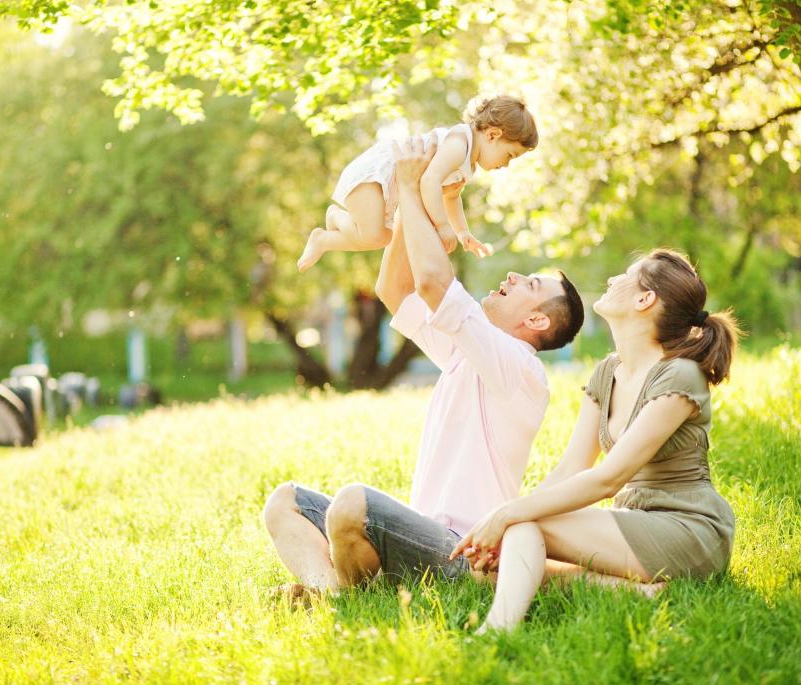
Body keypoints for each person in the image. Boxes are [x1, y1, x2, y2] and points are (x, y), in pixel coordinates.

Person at [263, 134, 583, 599]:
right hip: (416, 536)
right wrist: (402, 204)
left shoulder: (518, 368)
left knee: (353, 504)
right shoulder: (467, 352)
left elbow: (432, 281)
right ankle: (329, 595)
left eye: (529, 283)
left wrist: (414, 188)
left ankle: (345, 597)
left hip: (460, 553)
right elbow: (396, 290)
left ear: (537, 320)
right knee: (285, 502)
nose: (512, 277)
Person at [451, 249, 740, 633]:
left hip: (687, 529)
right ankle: (633, 592)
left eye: (625, 275)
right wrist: (512, 516)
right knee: (498, 565)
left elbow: (608, 479)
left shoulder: (680, 376)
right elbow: (572, 467)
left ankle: (497, 632)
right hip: (633, 522)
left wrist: (508, 514)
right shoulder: (607, 372)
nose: (611, 281)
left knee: (523, 531)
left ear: (645, 299)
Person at [296, 95, 538, 271]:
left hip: (389, 186)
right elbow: (429, 181)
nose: (506, 165)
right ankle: (332, 224)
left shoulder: (468, 163)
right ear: (493, 135)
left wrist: (462, 231)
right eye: (510, 155)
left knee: (381, 237)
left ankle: (329, 234)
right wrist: (442, 226)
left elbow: (451, 196)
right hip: (378, 174)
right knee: (372, 236)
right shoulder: (459, 143)